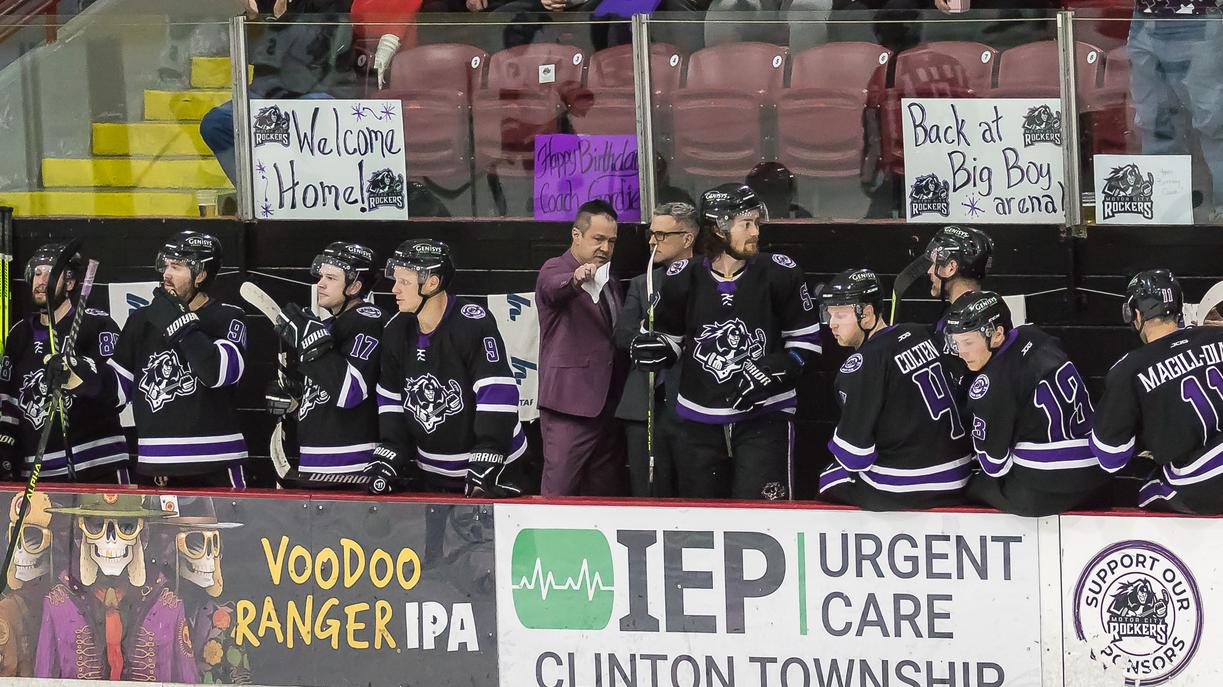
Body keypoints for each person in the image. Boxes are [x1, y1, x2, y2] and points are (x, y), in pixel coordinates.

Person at [630, 183, 821, 500]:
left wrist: (773, 370)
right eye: (747, 224)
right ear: (718, 228)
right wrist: (659, 350)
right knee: (704, 522)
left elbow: (807, 348)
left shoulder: (780, 274)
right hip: (698, 422)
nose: (755, 232)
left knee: (764, 519)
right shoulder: (682, 277)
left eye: (756, 223)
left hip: (765, 419)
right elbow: (672, 340)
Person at [367, 239, 525, 497]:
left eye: (404, 281)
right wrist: (392, 448)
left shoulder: (472, 323)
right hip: (431, 471)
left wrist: (490, 449)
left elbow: (497, 390)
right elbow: (391, 395)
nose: (394, 289)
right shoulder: (396, 329)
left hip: (495, 469)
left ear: (431, 283)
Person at [819, 268, 971, 510]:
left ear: (866, 314)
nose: (832, 325)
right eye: (829, 315)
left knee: (829, 478)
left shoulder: (859, 366)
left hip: (907, 486)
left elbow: (854, 457)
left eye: (840, 315)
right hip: (960, 476)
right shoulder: (921, 332)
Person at [945, 291, 1106, 516]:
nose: (962, 353)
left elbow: (995, 465)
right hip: (1096, 473)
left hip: (1047, 489)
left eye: (969, 342)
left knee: (970, 485)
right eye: (956, 343)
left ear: (997, 334)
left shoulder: (992, 384)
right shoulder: (1035, 335)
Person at [108, 231, 249, 488]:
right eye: (166, 265)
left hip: (216, 463)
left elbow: (214, 373)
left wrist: (180, 322)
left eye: (177, 267)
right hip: (156, 466)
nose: (166, 274)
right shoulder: (141, 320)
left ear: (202, 274)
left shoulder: (227, 317)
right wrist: (78, 376)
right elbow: (117, 391)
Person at [1091, 270, 1223, 514]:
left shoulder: (1128, 369)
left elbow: (1110, 457)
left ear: (1136, 313)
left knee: (1142, 490)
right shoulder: (1218, 336)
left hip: (1205, 481)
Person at [0, 243, 128, 484]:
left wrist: (78, 372)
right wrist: (5, 450)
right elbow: (8, 402)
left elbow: (118, 393)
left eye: (50, 273)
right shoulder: (19, 335)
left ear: (70, 284)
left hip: (98, 464)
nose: (41, 280)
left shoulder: (97, 326)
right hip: (40, 471)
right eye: (37, 273)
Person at [200, 0, 356, 185]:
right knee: (215, 123)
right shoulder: (263, 3)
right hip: (264, 92)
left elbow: (318, 51)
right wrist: (253, 18)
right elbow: (250, 54)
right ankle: (261, 191)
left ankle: (304, 189)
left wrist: (284, 20)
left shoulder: (326, 4)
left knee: (317, 112)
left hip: (310, 90)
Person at [266, 242, 386, 481]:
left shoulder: (369, 320)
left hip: (352, 465)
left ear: (355, 286)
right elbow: (323, 393)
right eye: (321, 276)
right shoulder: (330, 325)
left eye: (331, 277)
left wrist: (310, 339)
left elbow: (350, 391)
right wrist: (292, 398)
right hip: (314, 461)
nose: (320, 284)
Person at [535, 199, 628, 497]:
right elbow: (553, 288)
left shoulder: (610, 279)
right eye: (598, 239)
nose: (604, 247)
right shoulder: (555, 268)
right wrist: (575, 280)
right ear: (576, 235)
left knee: (603, 494)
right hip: (569, 405)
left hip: (608, 404)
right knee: (559, 491)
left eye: (611, 241)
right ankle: (548, 545)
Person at [614, 202, 698, 497]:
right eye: (652, 233)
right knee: (646, 492)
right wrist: (646, 336)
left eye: (661, 235)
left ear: (687, 238)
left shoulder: (709, 279)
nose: (652, 241)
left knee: (693, 491)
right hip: (643, 404)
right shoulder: (642, 283)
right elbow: (623, 335)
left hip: (692, 405)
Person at [1126, 1, 1223, 222]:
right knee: (1154, 125)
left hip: (1197, 17)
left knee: (1214, 124)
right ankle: (1163, 211)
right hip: (1144, 17)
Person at [746, 161, 812, 219]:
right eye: (767, 195)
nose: (773, 200)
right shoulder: (744, 217)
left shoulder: (802, 217)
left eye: (778, 196)